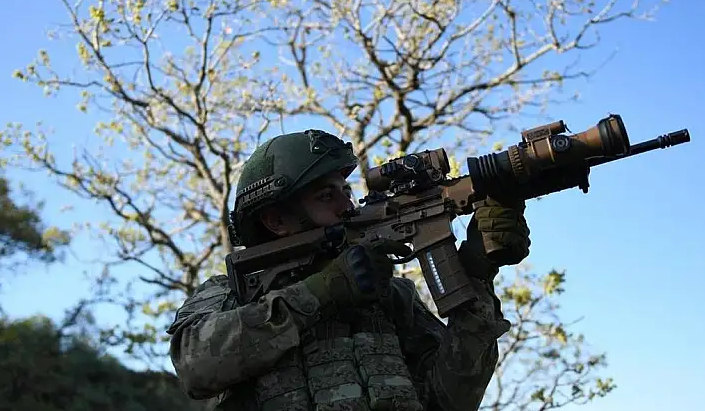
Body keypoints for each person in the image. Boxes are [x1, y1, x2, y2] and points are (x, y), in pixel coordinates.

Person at [166, 129, 531, 411]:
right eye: (326, 196)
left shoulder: (390, 298)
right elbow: (196, 366)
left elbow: (451, 401)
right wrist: (320, 291)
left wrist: (478, 273)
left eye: (345, 190)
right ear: (277, 221)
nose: (348, 206)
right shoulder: (231, 294)